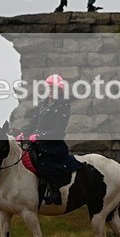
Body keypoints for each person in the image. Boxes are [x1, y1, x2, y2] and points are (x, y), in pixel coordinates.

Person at [17, 74, 83, 205]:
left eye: (54, 88)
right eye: (49, 88)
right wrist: (23, 133)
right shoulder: (42, 104)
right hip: (38, 142)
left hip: (53, 144)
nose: (51, 91)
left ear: (60, 90)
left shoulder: (63, 105)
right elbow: (33, 124)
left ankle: (55, 194)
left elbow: (58, 131)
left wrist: (39, 136)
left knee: (44, 160)